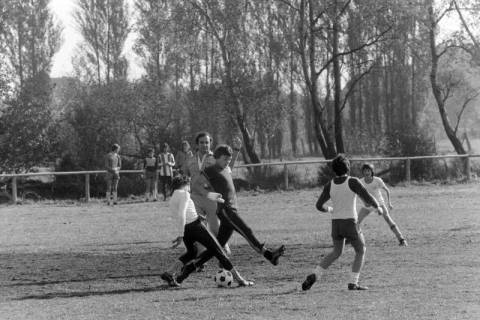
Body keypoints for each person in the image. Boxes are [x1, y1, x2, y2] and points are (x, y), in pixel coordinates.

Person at [175, 145, 285, 284]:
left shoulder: (226, 168)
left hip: (232, 209)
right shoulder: (210, 170)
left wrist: (236, 149)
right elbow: (195, 185)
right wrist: (208, 194)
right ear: (216, 158)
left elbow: (229, 169)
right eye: (225, 158)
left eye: (230, 159)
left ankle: (189, 268)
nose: (228, 161)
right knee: (247, 231)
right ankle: (269, 255)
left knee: (217, 248)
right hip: (225, 210)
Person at [302, 154, 383, 291]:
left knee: (336, 252)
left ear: (334, 169)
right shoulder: (353, 181)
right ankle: (353, 282)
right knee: (360, 250)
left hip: (336, 224)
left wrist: (330, 209)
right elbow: (368, 197)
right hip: (350, 223)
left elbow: (318, 205)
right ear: (348, 167)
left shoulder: (330, 184)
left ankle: (315, 274)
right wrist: (378, 207)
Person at [160, 176, 253, 287]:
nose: (189, 188)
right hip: (196, 227)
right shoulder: (184, 194)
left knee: (192, 253)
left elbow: (183, 214)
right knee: (219, 251)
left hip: (187, 229)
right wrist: (180, 235)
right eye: (188, 185)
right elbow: (182, 214)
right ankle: (240, 279)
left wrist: (186, 228)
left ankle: (169, 273)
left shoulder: (173, 198)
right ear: (185, 184)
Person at [183, 132, 241, 255]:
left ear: (211, 144)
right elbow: (184, 175)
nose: (204, 145)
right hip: (195, 199)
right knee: (198, 229)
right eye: (202, 142)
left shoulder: (215, 158)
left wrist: (236, 150)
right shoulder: (191, 159)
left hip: (212, 198)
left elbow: (229, 166)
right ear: (197, 144)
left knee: (215, 229)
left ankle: (223, 251)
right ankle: (199, 257)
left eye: (207, 142)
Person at [358, 163, 407, 246]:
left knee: (388, 218)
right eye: (365, 171)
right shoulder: (360, 181)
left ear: (371, 171)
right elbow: (359, 194)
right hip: (368, 205)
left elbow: (387, 190)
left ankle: (401, 239)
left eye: (368, 170)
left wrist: (389, 203)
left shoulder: (377, 180)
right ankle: (352, 239)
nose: (367, 172)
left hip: (379, 204)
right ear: (362, 172)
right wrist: (364, 202)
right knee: (357, 222)